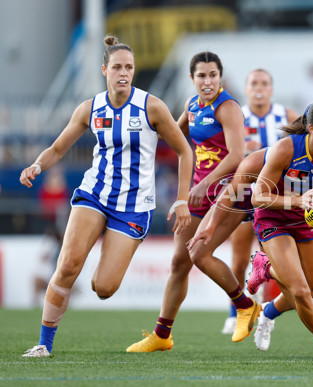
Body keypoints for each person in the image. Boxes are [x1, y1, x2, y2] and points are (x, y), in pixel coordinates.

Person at [20, 35, 194, 357]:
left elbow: (184, 150)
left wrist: (182, 198)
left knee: (104, 288)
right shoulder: (90, 108)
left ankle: (107, 253)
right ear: (105, 70)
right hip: (95, 193)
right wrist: (36, 165)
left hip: (133, 206)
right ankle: (43, 344)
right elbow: (58, 148)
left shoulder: (151, 107)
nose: (123, 72)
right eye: (117, 67)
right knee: (68, 263)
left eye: (129, 67)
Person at [126, 51, 261, 353]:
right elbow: (172, 134)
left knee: (200, 253)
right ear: (192, 79)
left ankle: (244, 305)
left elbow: (238, 157)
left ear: (220, 77)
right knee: (179, 262)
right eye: (202, 75)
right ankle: (162, 335)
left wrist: (201, 183)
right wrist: (136, 129)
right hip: (201, 192)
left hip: (229, 191)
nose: (208, 80)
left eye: (213, 75)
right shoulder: (192, 105)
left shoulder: (228, 108)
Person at [246, 100, 313, 366]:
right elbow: (258, 197)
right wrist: (297, 201)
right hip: (273, 218)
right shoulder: (286, 149)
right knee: (300, 291)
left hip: (305, 220)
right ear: (312, 129)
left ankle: (266, 274)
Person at [221, 68, 298, 334]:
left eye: (264, 83)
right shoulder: (237, 116)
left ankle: (264, 307)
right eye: (254, 83)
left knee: (269, 259)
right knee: (240, 257)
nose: (259, 87)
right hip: (245, 195)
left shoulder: (286, 116)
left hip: (276, 197)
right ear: (246, 88)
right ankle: (236, 310)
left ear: (272, 88)